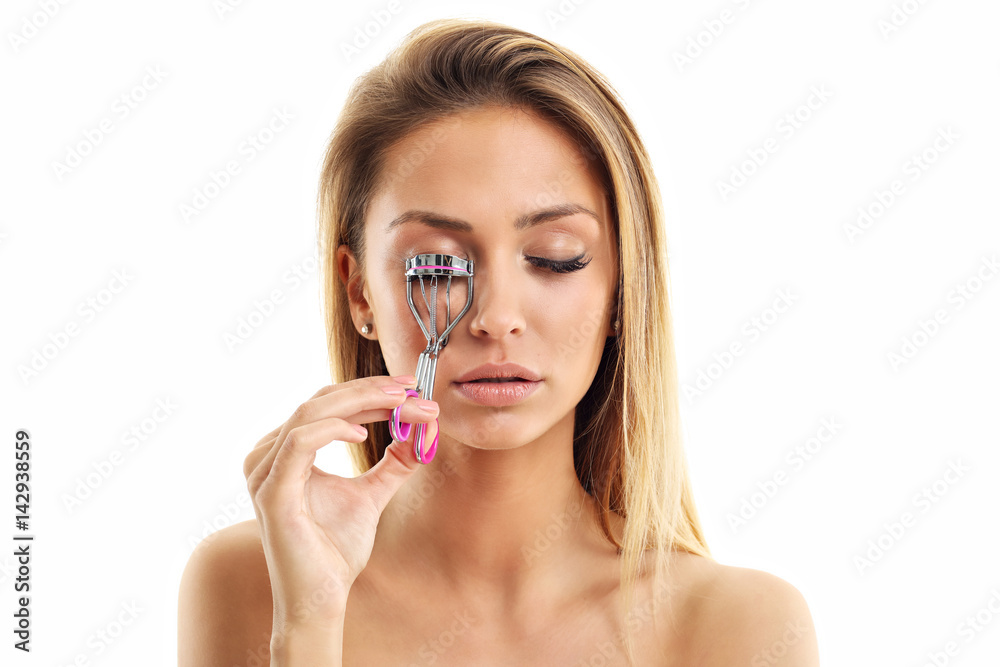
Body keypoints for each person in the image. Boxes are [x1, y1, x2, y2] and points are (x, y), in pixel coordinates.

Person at [179, 17, 819, 666]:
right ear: (360, 293)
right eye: (436, 258)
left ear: (623, 289)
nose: (495, 316)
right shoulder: (250, 586)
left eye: (555, 255)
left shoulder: (736, 626)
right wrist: (309, 625)